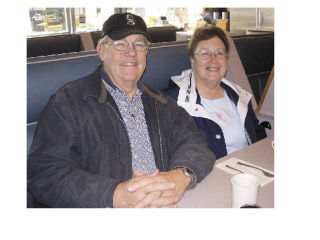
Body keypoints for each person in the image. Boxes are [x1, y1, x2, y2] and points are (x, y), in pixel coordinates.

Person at [27, 13, 215, 208]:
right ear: (101, 51)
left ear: (146, 52)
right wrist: (115, 195)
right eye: (119, 44)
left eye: (139, 44)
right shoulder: (68, 103)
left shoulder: (161, 103)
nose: (131, 52)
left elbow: (196, 142)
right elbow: (44, 173)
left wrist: (180, 176)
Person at [163, 26, 266, 160]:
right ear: (192, 61)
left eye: (219, 53)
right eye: (205, 53)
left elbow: (257, 134)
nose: (213, 59)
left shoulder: (239, 95)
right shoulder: (171, 102)